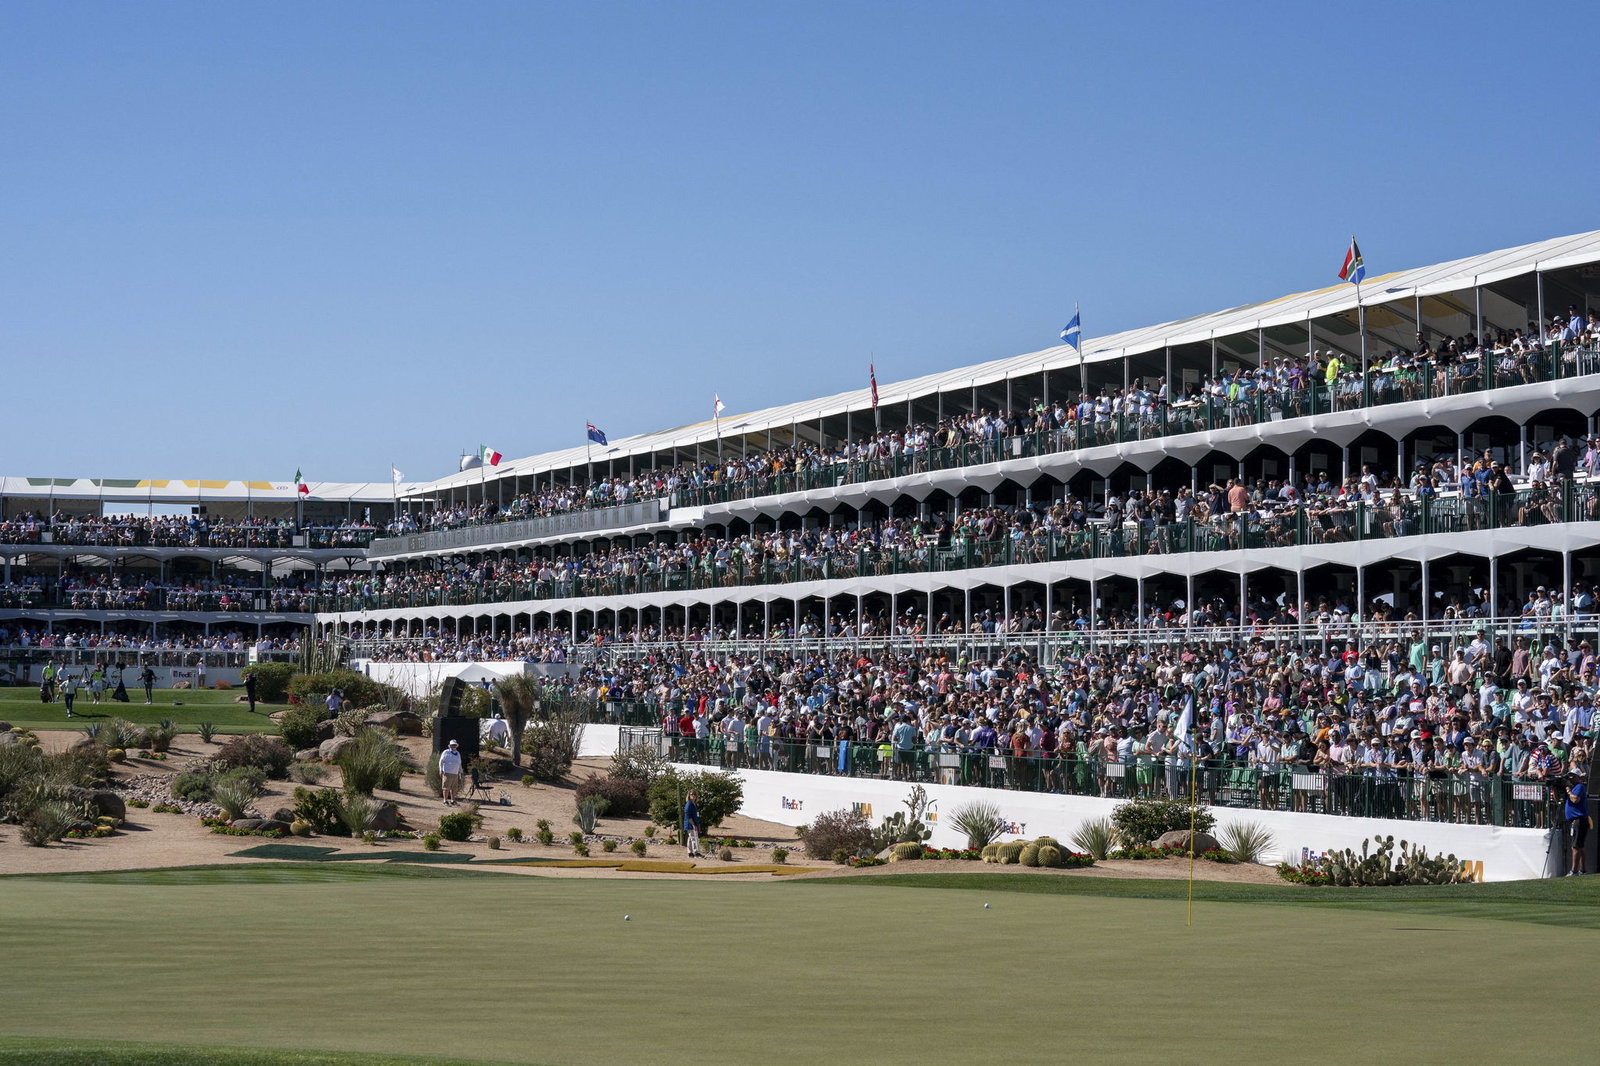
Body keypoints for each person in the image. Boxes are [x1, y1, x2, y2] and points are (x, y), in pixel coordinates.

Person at [1564, 771, 1590, 875]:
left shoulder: (1579, 786)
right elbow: (1559, 801)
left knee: (1575, 846)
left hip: (1579, 820)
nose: (1570, 778)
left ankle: (1574, 871)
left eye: (1572, 776)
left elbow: (1575, 800)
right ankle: (1582, 869)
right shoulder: (1572, 788)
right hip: (1574, 820)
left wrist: (1569, 792)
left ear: (1578, 777)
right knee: (1580, 846)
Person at [438, 739, 463, 806]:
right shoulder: (446, 752)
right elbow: (441, 761)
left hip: (455, 773)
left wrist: (460, 772)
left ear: (456, 745)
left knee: (454, 788)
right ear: (450, 745)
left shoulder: (458, 753)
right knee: (446, 788)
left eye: (454, 745)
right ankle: (445, 800)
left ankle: (453, 800)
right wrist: (441, 770)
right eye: (452, 745)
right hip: (447, 772)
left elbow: (459, 763)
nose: (453, 746)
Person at [683, 789, 703, 858]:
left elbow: (696, 815)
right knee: (694, 838)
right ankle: (696, 853)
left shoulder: (694, 804)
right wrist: (693, 824)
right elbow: (688, 815)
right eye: (692, 794)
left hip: (694, 823)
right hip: (690, 824)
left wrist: (698, 824)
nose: (693, 796)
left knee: (690, 838)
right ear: (689, 795)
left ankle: (690, 853)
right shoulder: (689, 804)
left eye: (695, 794)